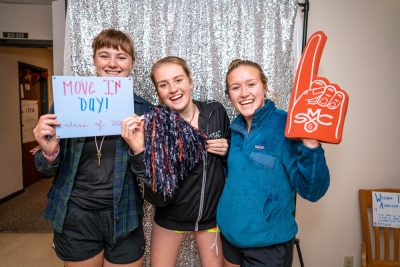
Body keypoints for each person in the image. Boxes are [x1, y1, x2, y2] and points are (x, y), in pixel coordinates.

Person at [32, 29, 151, 267]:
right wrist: (48, 152)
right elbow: (45, 169)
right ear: (94, 60)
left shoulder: (143, 110)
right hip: (76, 215)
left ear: (132, 63)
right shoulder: (67, 102)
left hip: (124, 215)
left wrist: (140, 150)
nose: (113, 64)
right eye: (104, 55)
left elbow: (152, 178)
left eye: (122, 57)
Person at [216, 59, 330, 267]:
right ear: (229, 95)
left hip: (268, 247)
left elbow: (313, 191)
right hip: (230, 238)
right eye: (235, 87)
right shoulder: (235, 128)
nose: (244, 93)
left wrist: (311, 145)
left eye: (251, 84)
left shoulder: (286, 125)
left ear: (265, 87)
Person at [121, 56, 230, 267]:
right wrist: (138, 151)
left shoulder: (215, 112)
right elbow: (154, 193)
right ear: (158, 93)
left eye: (178, 80)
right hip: (170, 218)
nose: (173, 89)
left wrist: (227, 151)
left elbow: (231, 166)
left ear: (190, 81)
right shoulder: (154, 127)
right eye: (164, 84)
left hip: (210, 218)